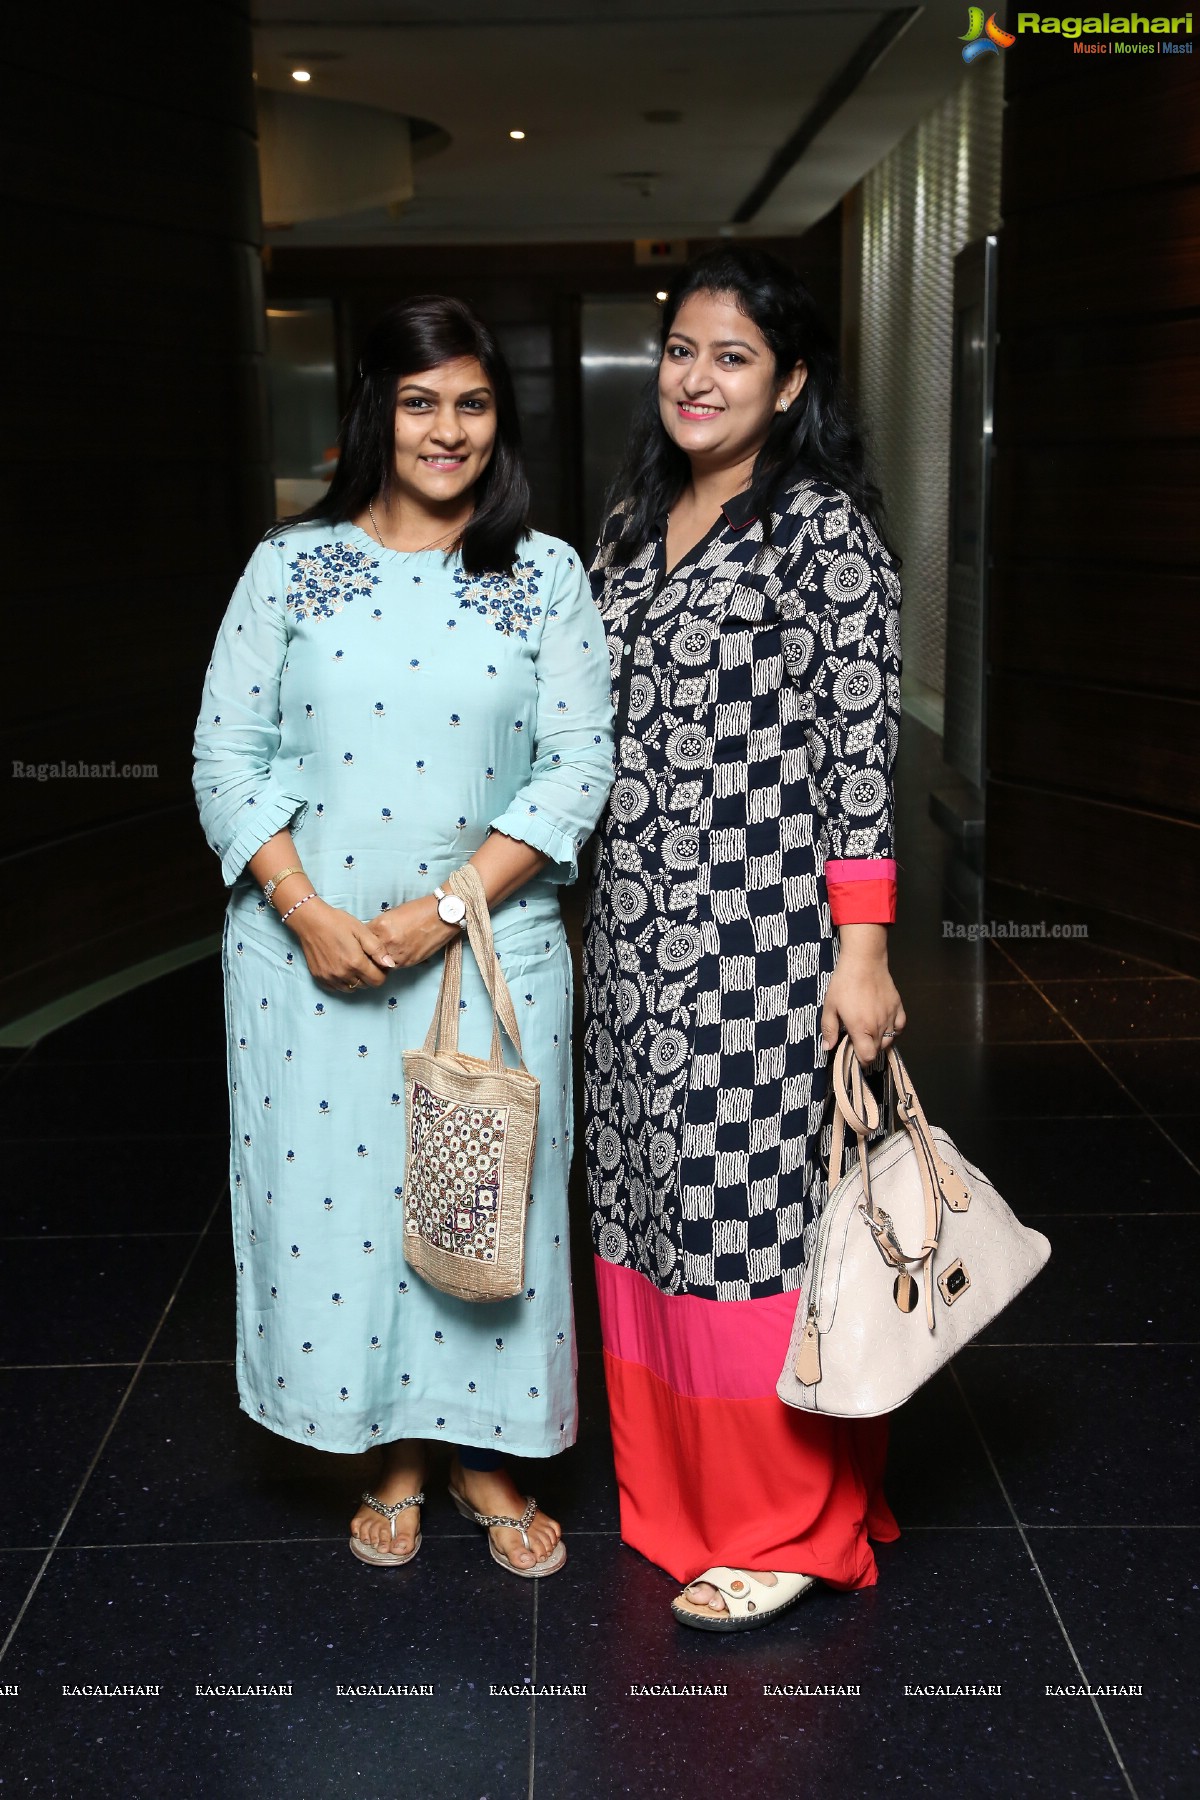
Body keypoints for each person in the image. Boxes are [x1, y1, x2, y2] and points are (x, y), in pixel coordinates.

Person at [193, 295, 613, 1577]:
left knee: (482, 1203)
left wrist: (442, 912)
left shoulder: (544, 574)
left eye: (473, 404)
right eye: (420, 401)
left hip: (485, 958)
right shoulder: (286, 565)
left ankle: (483, 1451)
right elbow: (227, 749)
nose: (448, 430)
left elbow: (576, 764)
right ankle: (385, 1451)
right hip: (306, 966)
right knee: (346, 1209)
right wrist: (306, 910)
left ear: (501, 419)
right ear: (375, 409)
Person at [583, 245, 904, 1630]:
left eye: (730, 356)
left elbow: (860, 754)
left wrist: (866, 949)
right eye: (678, 350)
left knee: (752, 1229)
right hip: (632, 946)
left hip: (763, 945)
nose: (695, 378)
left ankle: (786, 1523)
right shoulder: (627, 523)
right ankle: (683, 1502)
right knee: (651, 1211)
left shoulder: (821, 532)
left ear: (789, 385)